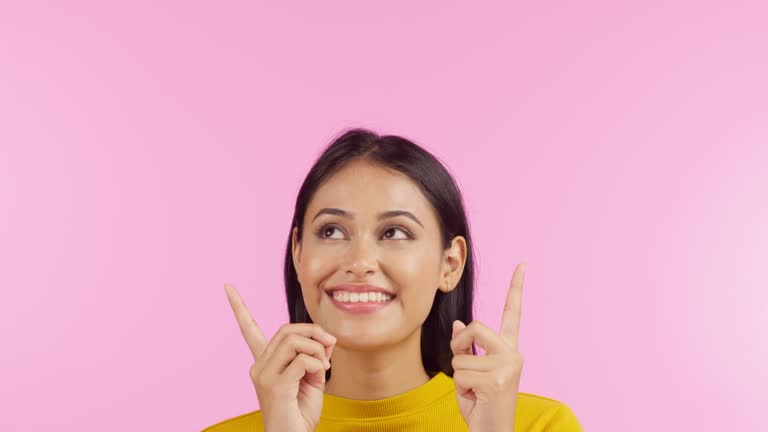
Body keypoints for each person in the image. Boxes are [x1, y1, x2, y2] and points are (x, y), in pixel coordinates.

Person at [202, 128, 583, 431]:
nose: (360, 261)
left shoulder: (538, 426)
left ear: (450, 264)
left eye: (394, 233)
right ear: (299, 253)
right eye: (332, 231)